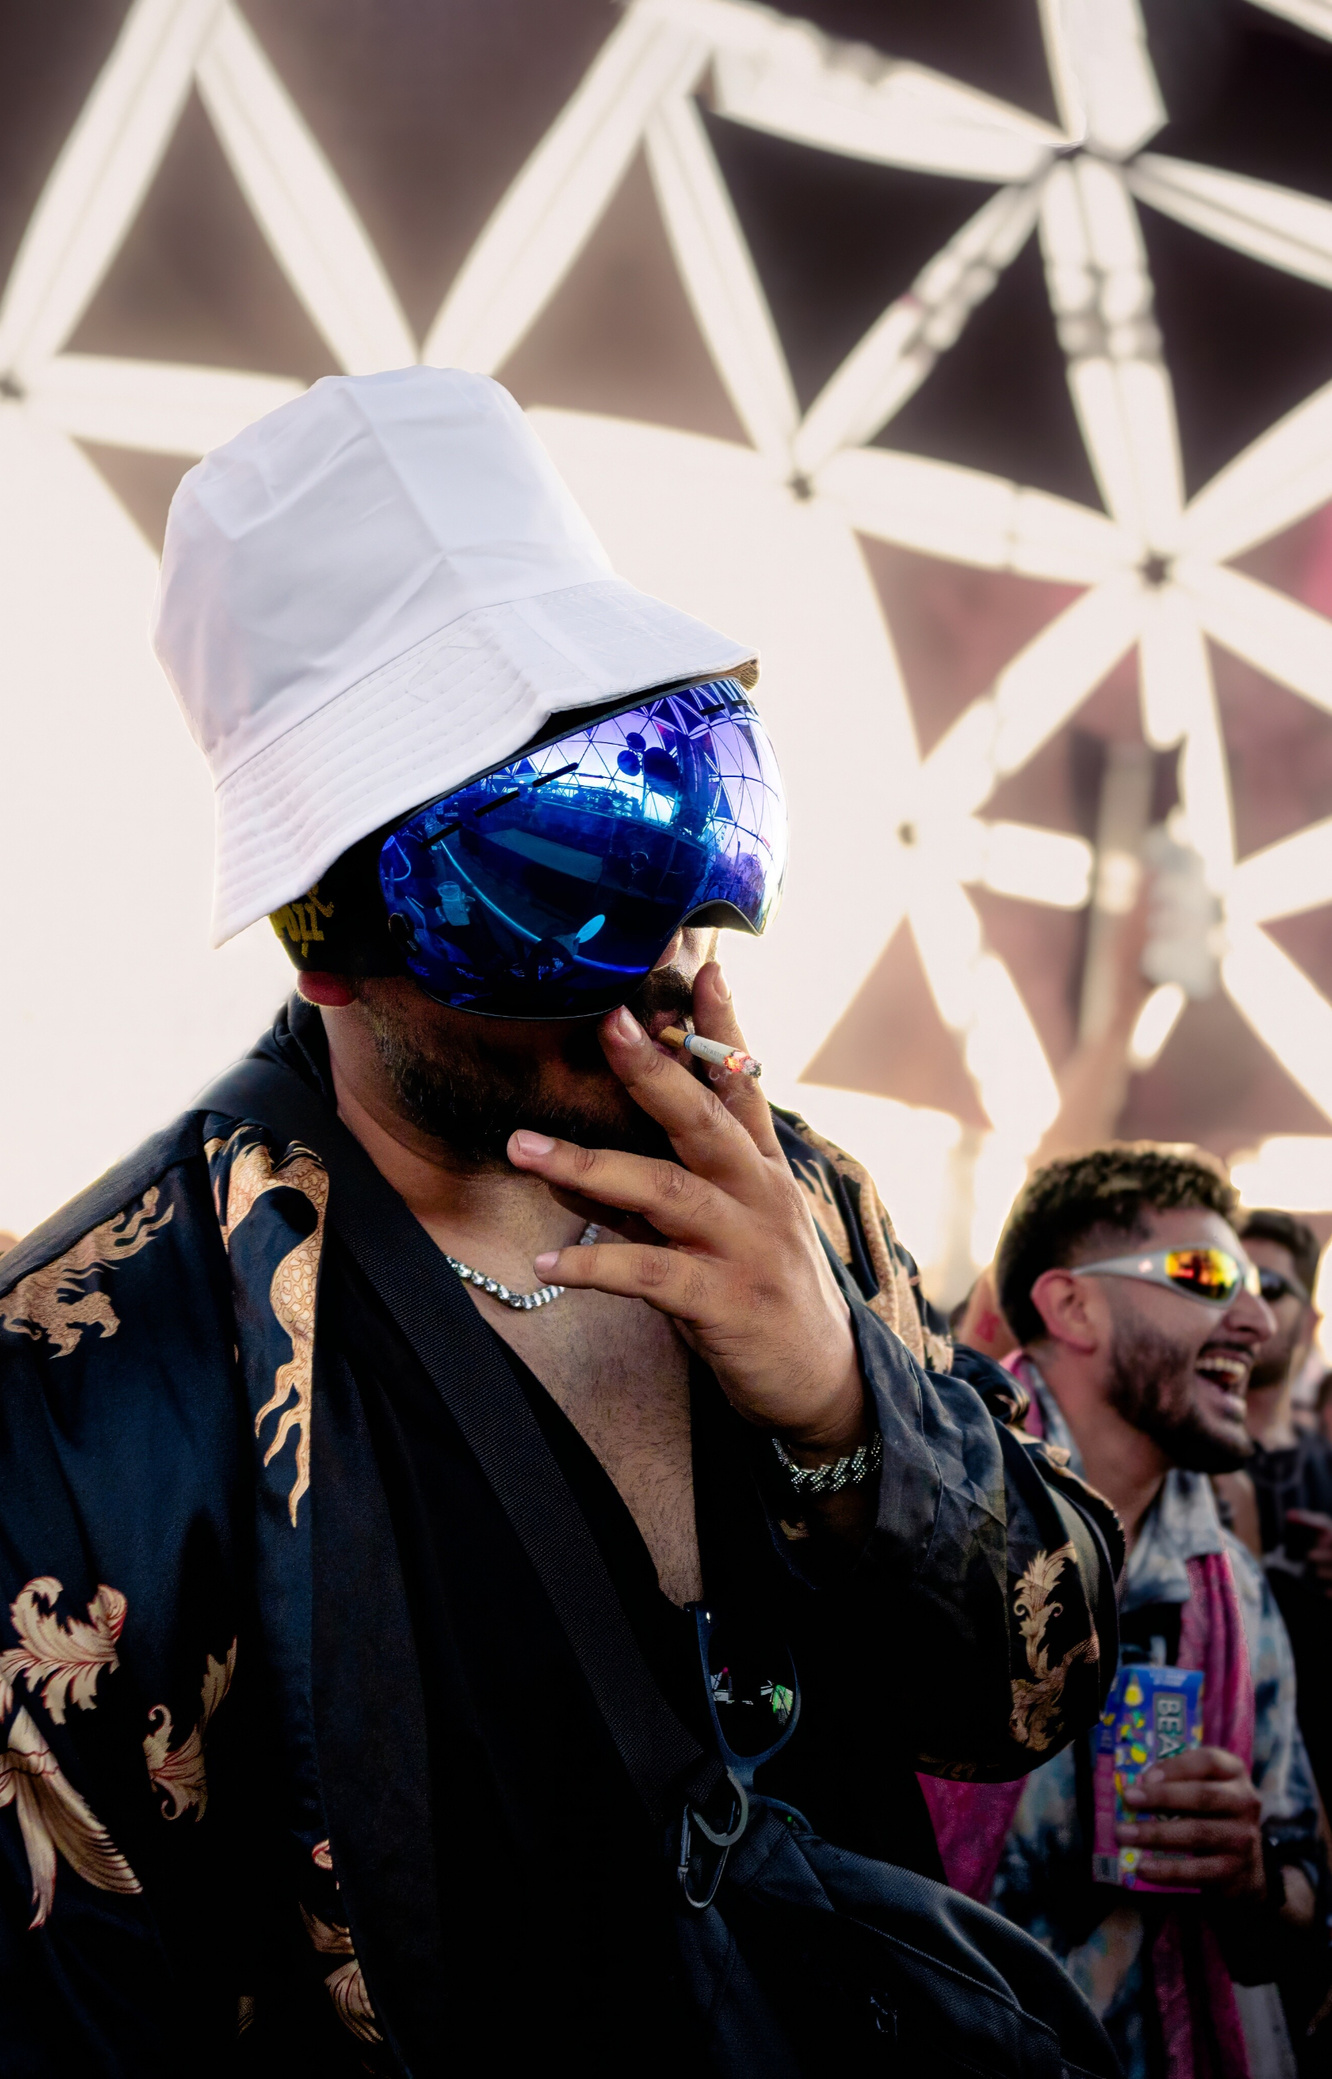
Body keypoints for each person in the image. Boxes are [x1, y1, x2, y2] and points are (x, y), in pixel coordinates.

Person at [0, 369, 1119, 2076]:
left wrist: (841, 1405)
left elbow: (1021, 1698)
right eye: (546, 883)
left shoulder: (798, 1195)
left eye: (691, 804)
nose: (678, 948)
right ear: (331, 946)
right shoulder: (88, 1394)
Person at [922, 1144, 1325, 2079]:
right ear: (1073, 1306)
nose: (1259, 1319)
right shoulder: (922, 1517)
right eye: (1204, 1275)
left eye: (1260, 1286)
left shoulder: (1229, 1587)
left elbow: (1308, 1905)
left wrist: (1251, 1874)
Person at [1235, 1210, 1332, 1813]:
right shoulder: (1165, 1458)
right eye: (1227, 1280)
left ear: (1312, 1322)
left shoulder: (1325, 1466)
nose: (1244, 1305)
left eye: (1269, 1288)